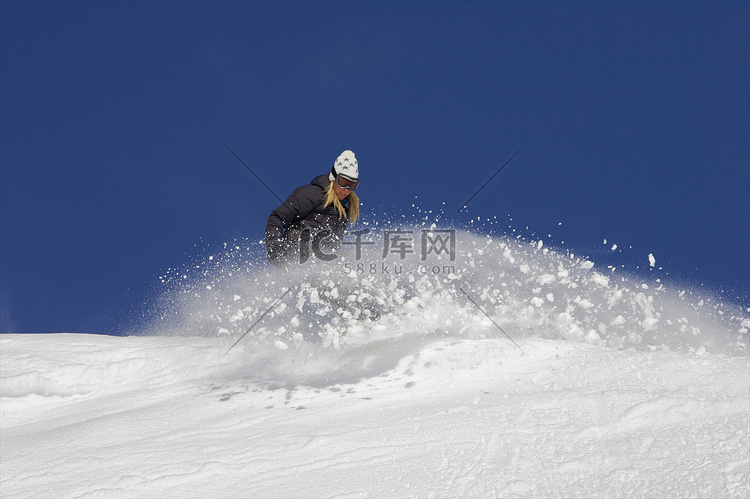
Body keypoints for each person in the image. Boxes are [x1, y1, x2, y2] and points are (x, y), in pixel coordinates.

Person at [265, 150, 360, 264]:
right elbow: (277, 218)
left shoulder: (342, 211)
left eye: (352, 185)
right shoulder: (312, 194)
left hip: (318, 265)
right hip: (294, 258)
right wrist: (276, 251)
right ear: (333, 177)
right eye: (343, 182)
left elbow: (334, 246)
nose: (346, 189)